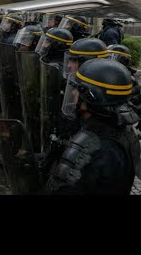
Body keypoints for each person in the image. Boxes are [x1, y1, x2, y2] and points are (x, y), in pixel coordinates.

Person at [45, 58, 140, 194]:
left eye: (78, 89)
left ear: (92, 96)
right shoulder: (123, 129)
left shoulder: (93, 145)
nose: (72, 93)